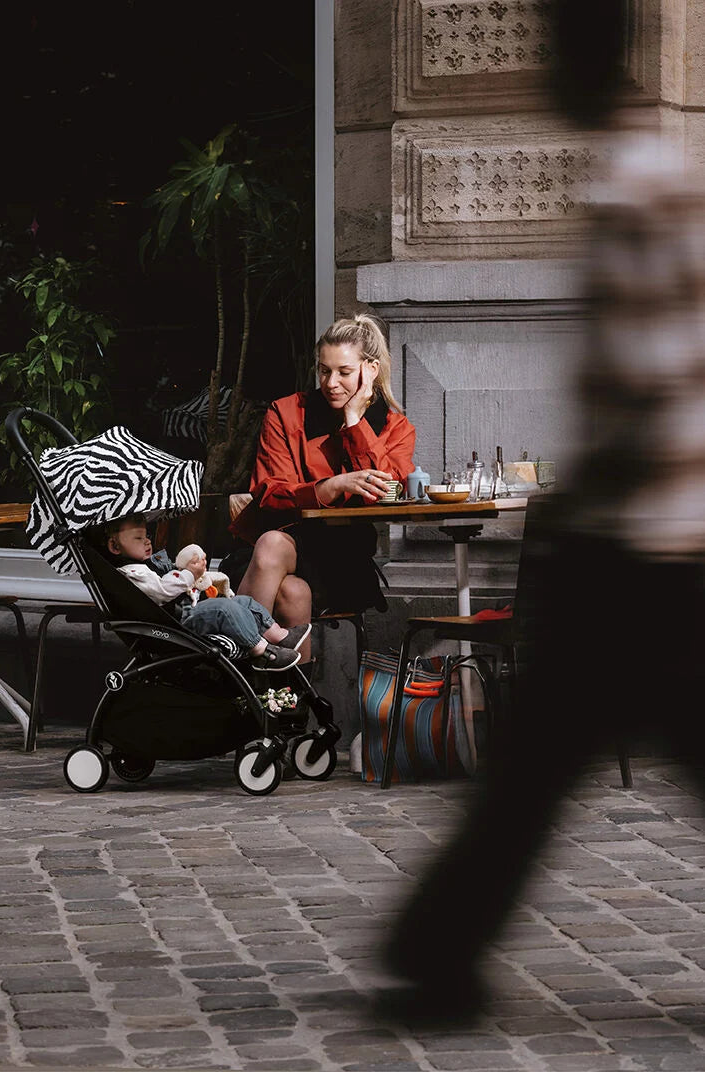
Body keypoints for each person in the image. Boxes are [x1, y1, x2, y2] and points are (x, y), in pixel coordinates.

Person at [382, 0, 705, 1020]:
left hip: (639, 542)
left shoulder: (636, 191)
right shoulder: (654, 179)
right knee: (544, 760)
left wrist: (578, 509)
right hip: (657, 534)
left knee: (535, 766)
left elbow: (653, 378)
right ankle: (435, 956)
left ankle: (435, 958)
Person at [228, 314, 416, 660]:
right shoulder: (286, 413)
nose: (331, 383)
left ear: (371, 370)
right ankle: (287, 689)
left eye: (344, 372)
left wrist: (355, 420)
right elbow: (270, 493)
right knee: (285, 576)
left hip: (342, 556)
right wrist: (330, 487)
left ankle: (231, 668)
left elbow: (385, 492)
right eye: (324, 371)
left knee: (292, 590)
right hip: (275, 545)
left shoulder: (395, 428)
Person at [95, 513, 311, 672]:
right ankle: (262, 652)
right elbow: (162, 591)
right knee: (224, 609)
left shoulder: (147, 565)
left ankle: (278, 635)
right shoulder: (132, 573)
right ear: (115, 546)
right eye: (138, 538)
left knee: (243, 602)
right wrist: (188, 574)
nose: (147, 541)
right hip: (177, 623)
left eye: (147, 535)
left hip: (187, 611)